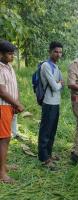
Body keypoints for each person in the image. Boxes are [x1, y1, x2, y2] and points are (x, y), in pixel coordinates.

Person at [0, 40, 24, 183]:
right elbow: (2, 92)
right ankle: (2, 173)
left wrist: (16, 103)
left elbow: (13, 87)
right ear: (1, 54)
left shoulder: (9, 67)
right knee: (3, 139)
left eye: (13, 54)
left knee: (5, 138)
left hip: (9, 106)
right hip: (2, 106)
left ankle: (3, 165)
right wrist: (16, 103)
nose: (12, 56)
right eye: (9, 54)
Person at [38, 41, 64, 170]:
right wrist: (59, 83)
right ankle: (43, 157)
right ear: (50, 52)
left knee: (52, 130)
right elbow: (55, 86)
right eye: (56, 51)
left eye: (60, 52)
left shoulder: (56, 66)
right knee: (46, 130)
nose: (58, 54)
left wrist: (59, 83)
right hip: (48, 102)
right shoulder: (46, 66)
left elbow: (61, 83)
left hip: (56, 103)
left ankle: (49, 153)